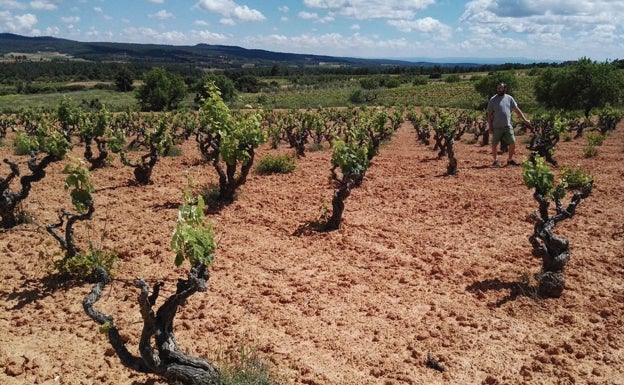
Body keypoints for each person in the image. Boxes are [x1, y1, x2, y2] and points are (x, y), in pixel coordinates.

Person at [486, 82, 530, 167]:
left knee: (513, 143)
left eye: (500, 88)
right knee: (494, 144)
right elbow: (489, 114)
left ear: (504, 89)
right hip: (496, 126)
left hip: (507, 126)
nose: (498, 89)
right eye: (498, 88)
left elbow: (517, 110)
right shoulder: (493, 100)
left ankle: (509, 160)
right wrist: (490, 127)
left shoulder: (509, 98)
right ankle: (495, 161)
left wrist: (525, 119)